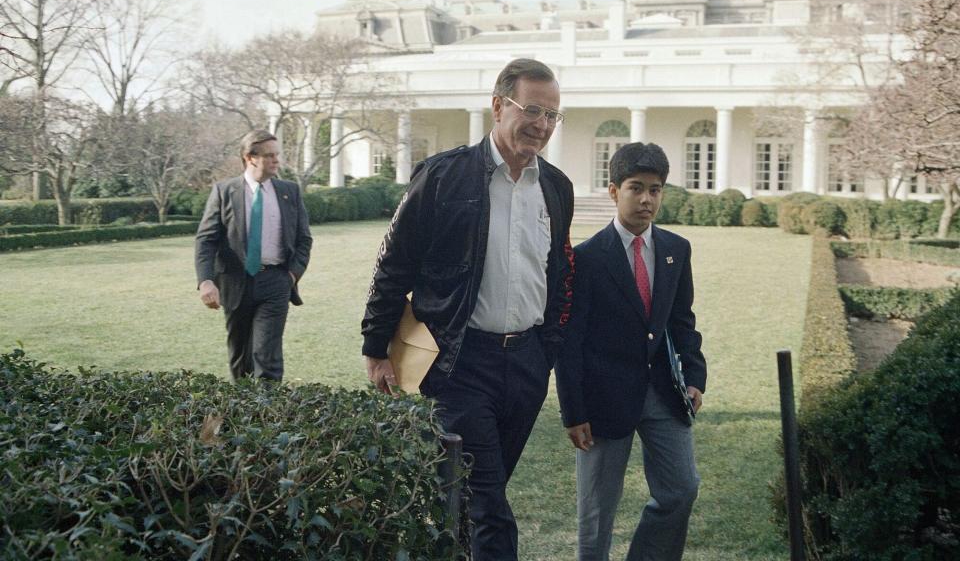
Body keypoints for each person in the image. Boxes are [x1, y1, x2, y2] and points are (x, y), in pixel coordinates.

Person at [361, 58, 574, 560]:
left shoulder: (556, 188)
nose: (542, 125)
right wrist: (376, 347)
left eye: (552, 115)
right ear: (499, 106)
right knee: (489, 507)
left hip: (525, 366)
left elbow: (560, 276)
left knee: (467, 500)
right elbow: (394, 264)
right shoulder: (443, 176)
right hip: (458, 366)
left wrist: (547, 351)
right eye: (532, 110)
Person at [555, 142, 706, 561]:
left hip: (663, 393)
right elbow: (571, 342)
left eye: (655, 189)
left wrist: (694, 377)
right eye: (636, 188)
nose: (646, 199)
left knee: (681, 488)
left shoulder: (677, 249)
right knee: (597, 510)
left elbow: (682, 322)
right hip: (603, 400)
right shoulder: (585, 259)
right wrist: (574, 411)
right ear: (613, 190)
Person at [195, 130, 312, 382]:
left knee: (267, 356)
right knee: (240, 358)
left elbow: (304, 239)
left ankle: (270, 416)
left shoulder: (289, 191)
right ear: (250, 158)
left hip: (275, 282)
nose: (276, 160)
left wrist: (291, 274)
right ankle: (244, 415)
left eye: (276, 155)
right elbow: (206, 240)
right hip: (235, 283)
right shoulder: (224, 191)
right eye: (269, 155)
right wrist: (205, 281)